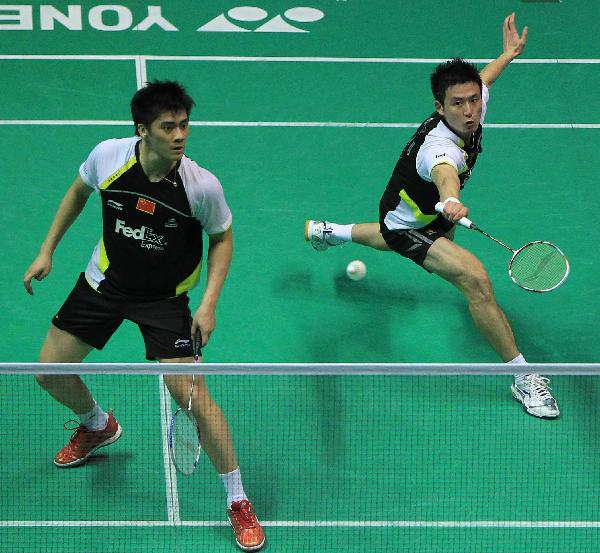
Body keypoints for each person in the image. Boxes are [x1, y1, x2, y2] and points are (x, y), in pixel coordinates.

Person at [23, 80, 265, 552]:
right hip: (105, 283)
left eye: (184, 125)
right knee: (49, 373)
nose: (180, 135)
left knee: (193, 399)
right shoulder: (109, 157)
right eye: (168, 127)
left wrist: (209, 303)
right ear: (142, 130)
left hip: (165, 301)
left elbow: (222, 239)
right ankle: (97, 425)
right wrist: (46, 250)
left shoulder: (201, 186)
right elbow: (78, 191)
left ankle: (237, 499)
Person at [304, 13, 559, 419]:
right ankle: (523, 377)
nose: (470, 110)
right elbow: (444, 174)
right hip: (413, 219)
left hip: (415, 211)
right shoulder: (440, 149)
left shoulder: (472, 106)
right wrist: (451, 199)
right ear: (439, 107)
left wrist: (506, 55)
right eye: (458, 104)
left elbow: (484, 81)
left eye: (473, 100)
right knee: (474, 280)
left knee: (401, 236)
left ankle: (331, 232)